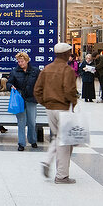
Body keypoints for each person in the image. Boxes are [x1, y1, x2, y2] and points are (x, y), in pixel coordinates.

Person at [34, 41, 79, 184]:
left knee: (58, 137)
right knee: (65, 143)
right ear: (66, 54)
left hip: (50, 109)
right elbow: (69, 90)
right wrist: (74, 102)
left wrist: (45, 102)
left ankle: (47, 161)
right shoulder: (68, 70)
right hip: (63, 109)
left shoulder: (46, 69)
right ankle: (62, 176)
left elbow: (37, 90)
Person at [6, 51, 40, 150]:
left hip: (31, 98)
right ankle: (21, 143)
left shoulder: (35, 71)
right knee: (21, 121)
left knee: (32, 121)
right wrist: (11, 86)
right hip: (19, 99)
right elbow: (8, 83)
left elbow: (40, 83)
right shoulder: (14, 72)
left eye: (22, 61)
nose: (20, 63)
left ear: (27, 61)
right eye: (19, 61)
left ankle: (32, 140)